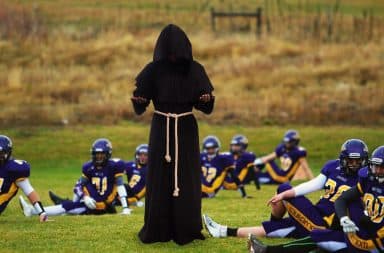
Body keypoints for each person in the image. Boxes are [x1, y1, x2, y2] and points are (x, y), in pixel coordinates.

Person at [131, 24, 215, 245]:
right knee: (159, 177)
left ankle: (186, 228)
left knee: (186, 177)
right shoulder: (153, 70)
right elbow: (141, 100)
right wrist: (139, 101)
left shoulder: (195, 70)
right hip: (161, 127)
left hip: (185, 127)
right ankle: (158, 229)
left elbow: (205, 105)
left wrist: (206, 99)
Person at [204, 139, 368, 241]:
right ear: (342, 159)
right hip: (314, 213)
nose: (354, 164)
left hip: (325, 226)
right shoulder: (332, 167)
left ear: (365, 161)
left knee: (284, 193)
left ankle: (274, 221)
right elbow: (312, 185)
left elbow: (369, 207)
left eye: (358, 161)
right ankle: (223, 231)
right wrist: (283, 195)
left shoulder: (367, 178)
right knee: (271, 227)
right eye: (350, 160)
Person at [247, 145, 384, 253]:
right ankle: (265, 249)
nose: (377, 171)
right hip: (356, 232)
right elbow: (343, 199)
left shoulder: (368, 181)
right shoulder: (367, 180)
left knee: (320, 238)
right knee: (319, 236)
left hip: (372, 241)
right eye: (375, 166)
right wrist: (344, 218)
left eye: (381, 167)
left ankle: (267, 250)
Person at [20, 138, 131, 216]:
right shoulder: (88, 167)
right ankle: (71, 203)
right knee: (79, 186)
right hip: (93, 201)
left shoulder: (115, 165)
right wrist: (85, 197)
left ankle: (33, 211)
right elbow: (78, 186)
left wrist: (125, 208)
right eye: (96, 155)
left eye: (102, 154)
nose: (99, 158)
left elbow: (120, 186)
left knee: (67, 207)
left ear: (108, 154)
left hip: (103, 205)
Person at [0, 135, 48, 222]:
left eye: (0, 153)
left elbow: (28, 190)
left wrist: (41, 212)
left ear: (8, 153)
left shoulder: (13, 169)